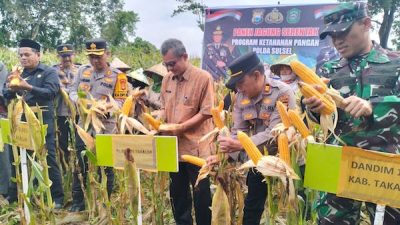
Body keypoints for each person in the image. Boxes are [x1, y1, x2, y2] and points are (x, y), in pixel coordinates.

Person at [302, 2, 400, 224]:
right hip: (338, 164)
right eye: (331, 35)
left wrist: (374, 106)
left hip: (384, 166)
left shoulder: (395, 64)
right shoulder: (328, 70)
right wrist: (313, 107)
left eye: (343, 31)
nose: (336, 40)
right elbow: (319, 120)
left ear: (366, 24)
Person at [213, 51, 296, 225]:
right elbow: (238, 130)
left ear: (257, 76)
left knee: (293, 208)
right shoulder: (240, 97)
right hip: (257, 158)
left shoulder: (282, 93)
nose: (239, 89)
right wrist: (225, 155)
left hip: (286, 160)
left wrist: (239, 144)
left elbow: (275, 133)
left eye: (241, 83)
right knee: (252, 208)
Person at [3, 39, 64, 209]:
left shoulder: (48, 72)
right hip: (20, 123)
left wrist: (27, 87)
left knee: (47, 159)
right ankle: (15, 196)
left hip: (42, 123)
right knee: (18, 158)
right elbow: (5, 94)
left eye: (27, 54)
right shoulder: (18, 72)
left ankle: (57, 198)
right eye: (20, 55)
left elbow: (51, 93)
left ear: (38, 55)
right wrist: (10, 88)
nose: (23, 58)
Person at [69, 38, 128, 212]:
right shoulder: (83, 71)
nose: (95, 61)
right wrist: (78, 101)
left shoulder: (118, 76)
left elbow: (121, 101)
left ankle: (105, 203)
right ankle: (78, 203)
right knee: (80, 163)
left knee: (106, 166)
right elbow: (73, 90)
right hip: (84, 125)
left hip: (105, 127)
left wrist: (105, 109)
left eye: (98, 57)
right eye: (91, 57)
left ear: (107, 54)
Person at [159, 38, 214, 225]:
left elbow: (207, 112)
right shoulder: (167, 79)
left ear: (184, 57)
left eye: (172, 64)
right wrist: (155, 120)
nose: (169, 69)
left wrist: (181, 127)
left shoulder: (203, 78)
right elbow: (163, 107)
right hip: (172, 148)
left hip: (196, 148)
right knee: (178, 194)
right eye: (166, 65)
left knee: (201, 195)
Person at [54, 44, 79, 165]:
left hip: (78, 113)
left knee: (79, 141)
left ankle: (79, 166)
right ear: (58, 56)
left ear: (74, 55)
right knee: (62, 142)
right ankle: (65, 167)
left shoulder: (81, 70)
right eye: (63, 56)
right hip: (60, 112)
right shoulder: (53, 71)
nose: (67, 59)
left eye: (69, 55)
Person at [0, 61, 10, 200]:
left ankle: (4, 190)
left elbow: (2, 92)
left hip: (1, 114)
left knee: (2, 153)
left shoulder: (0, 66)